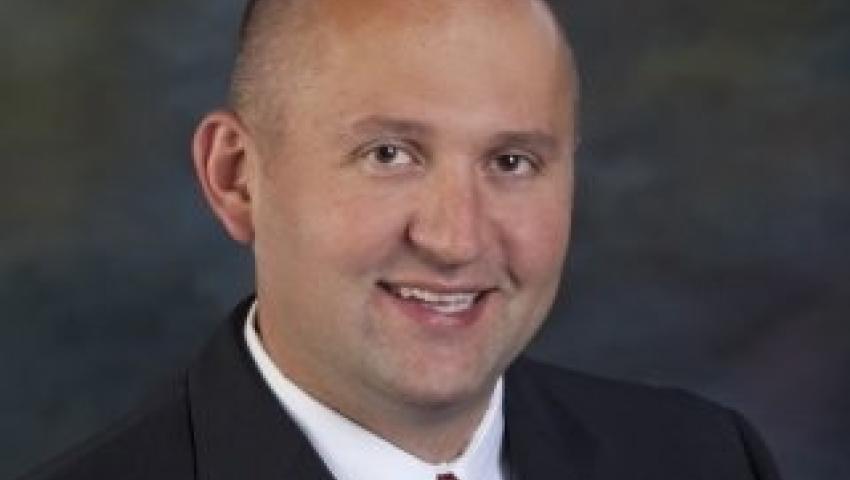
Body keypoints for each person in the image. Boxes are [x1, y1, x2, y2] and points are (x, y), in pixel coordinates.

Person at [21, 0, 782, 479]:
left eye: (512, 162)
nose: (454, 239)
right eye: (388, 154)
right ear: (236, 178)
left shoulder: (705, 459)